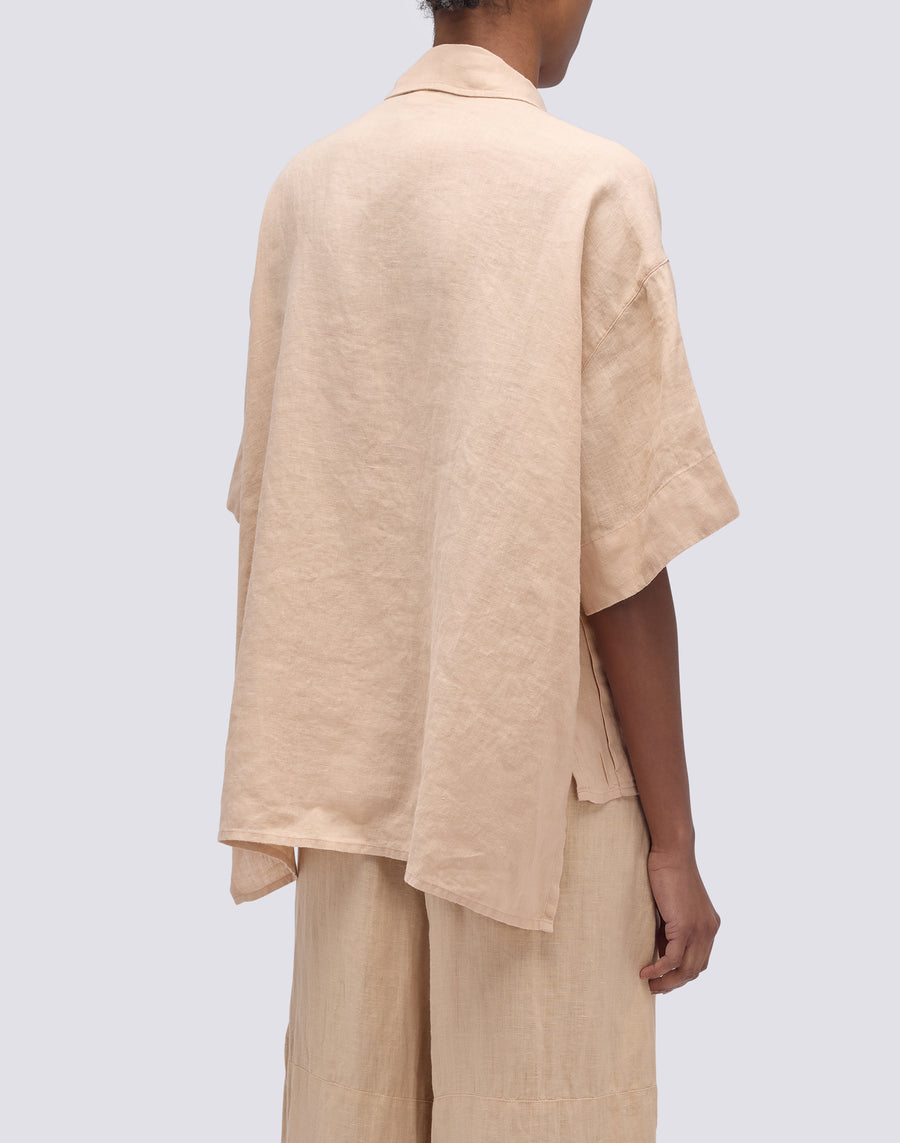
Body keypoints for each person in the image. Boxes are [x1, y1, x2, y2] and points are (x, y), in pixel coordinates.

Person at [218, 1, 740, 1139]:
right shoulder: (589, 185)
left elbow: (272, 496)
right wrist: (676, 842)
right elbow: (624, 550)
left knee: (352, 1115)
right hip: (536, 795)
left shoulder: (310, 187)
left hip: (351, 779)